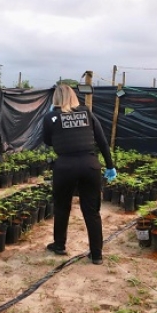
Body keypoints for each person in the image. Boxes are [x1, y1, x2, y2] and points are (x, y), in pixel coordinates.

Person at [43, 84, 117, 265]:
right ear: (73, 96)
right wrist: (109, 165)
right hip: (89, 165)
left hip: (65, 166)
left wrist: (58, 125)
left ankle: (59, 245)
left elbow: (47, 141)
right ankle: (97, 254)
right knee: (92, 211)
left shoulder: (51, 116)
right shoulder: (87, 113)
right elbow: (102, 141)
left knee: (62, 207)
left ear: (56, 99)